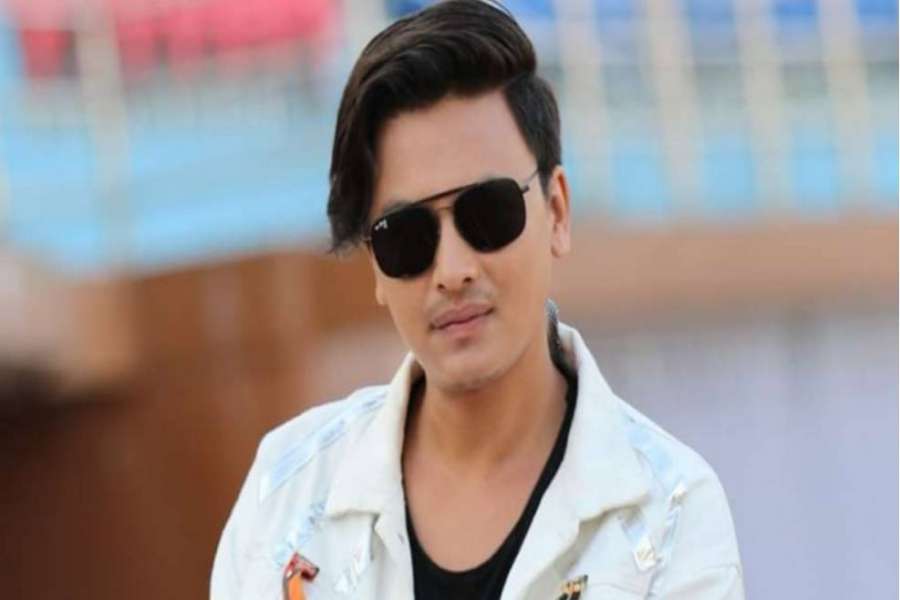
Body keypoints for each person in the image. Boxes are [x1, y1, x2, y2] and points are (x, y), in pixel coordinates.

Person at [211, 1, 744, 598]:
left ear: (557, 212)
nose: (453, 271)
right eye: (407, 237)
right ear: (376, 268)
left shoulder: (669, 516)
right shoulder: (287, 495)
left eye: (488, 212)